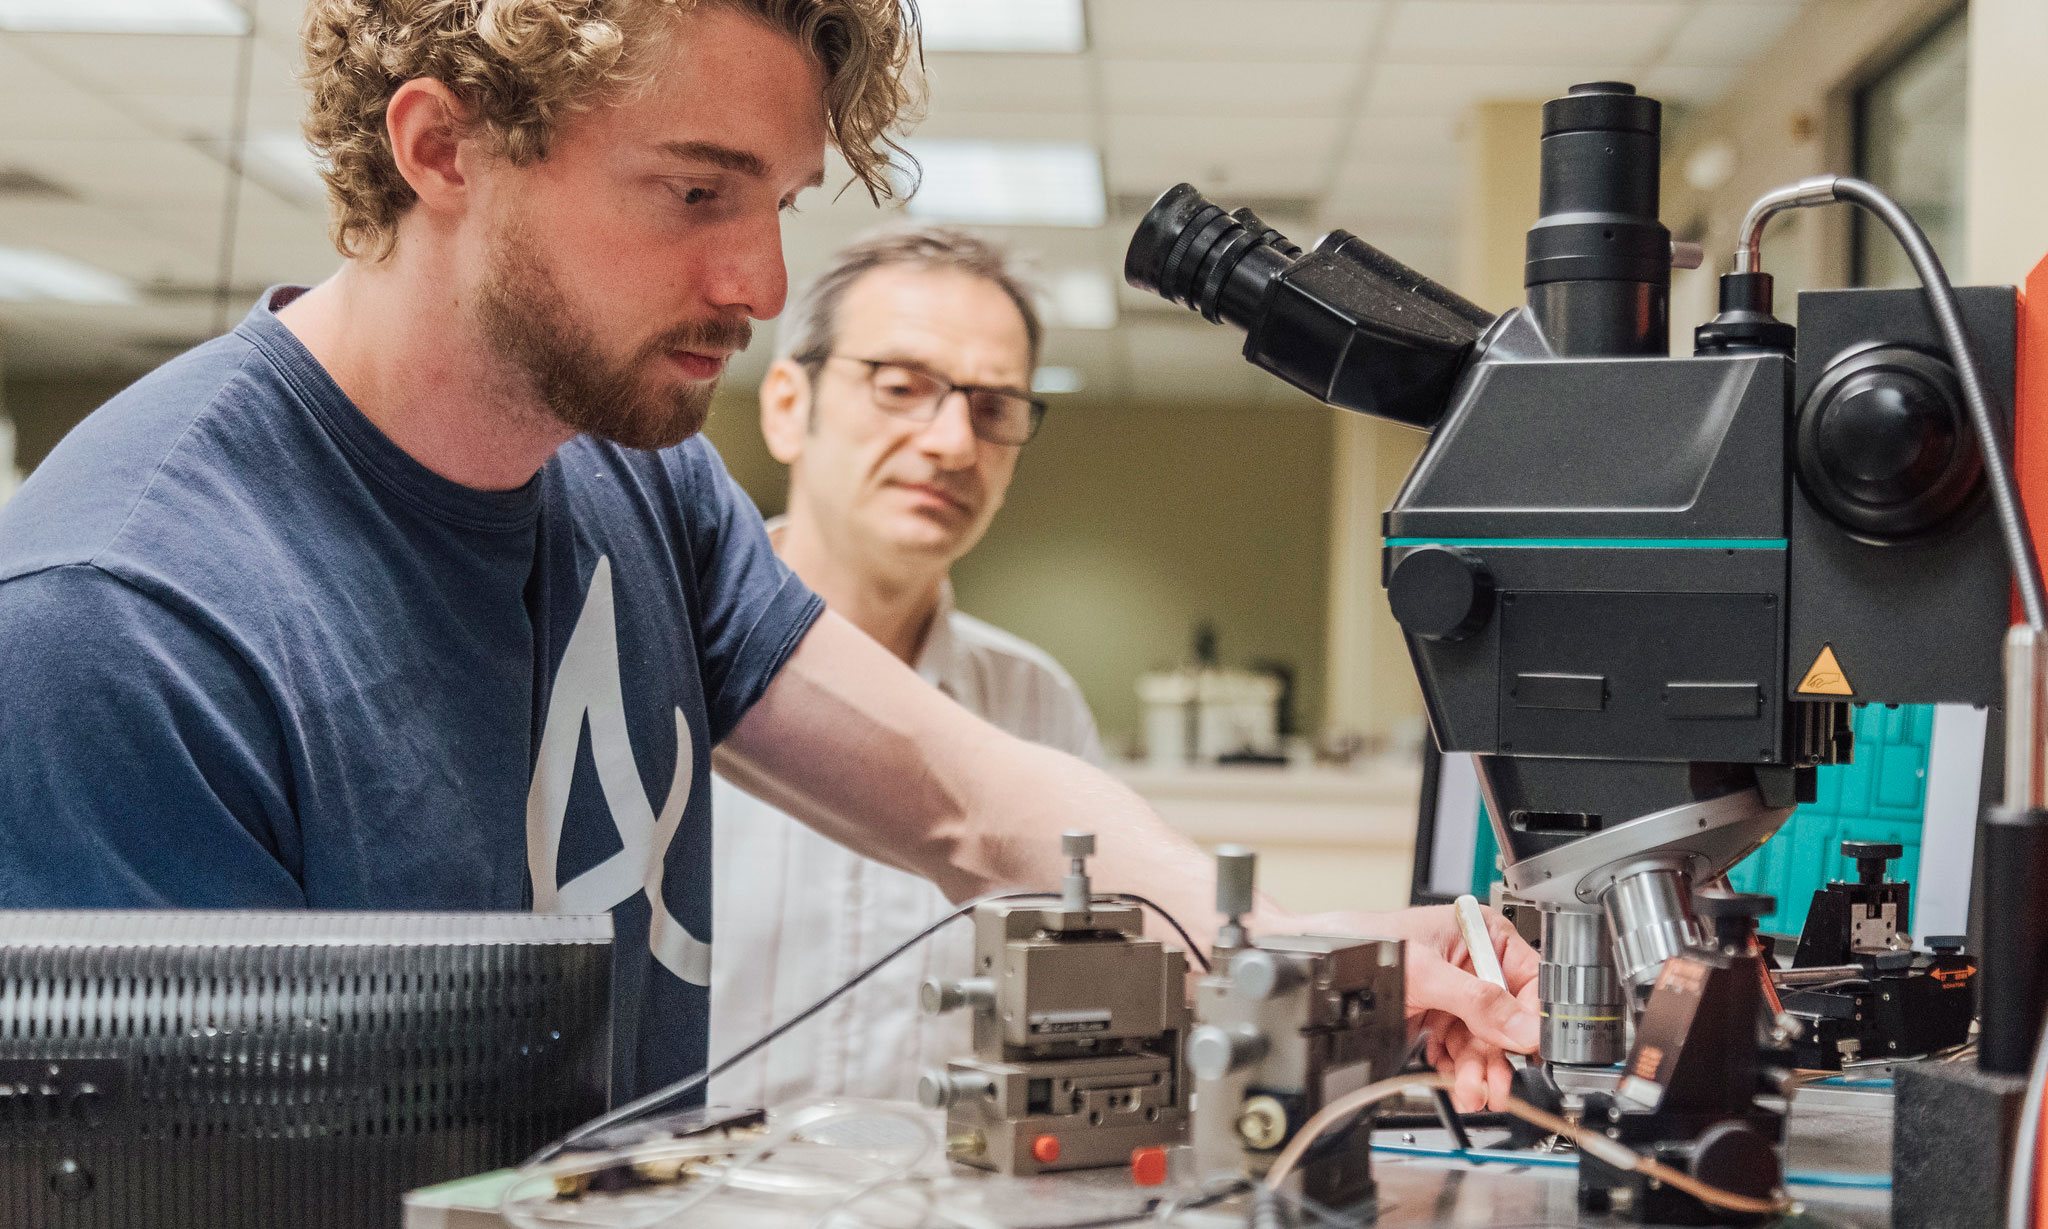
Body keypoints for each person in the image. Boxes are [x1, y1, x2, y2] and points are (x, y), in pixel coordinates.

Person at [0, 0, 1537, 1111]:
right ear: (442, 146)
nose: (760, 280)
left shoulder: (633, 484)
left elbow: (969, 802)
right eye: (694, 191)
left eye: (780, 202)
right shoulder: (129, 621)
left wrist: (1314, 959)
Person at [709, 226, 1103, 1107]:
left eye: (995, 406)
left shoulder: (1037, 704)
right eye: (901, 387)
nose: (954, 443)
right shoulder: (650, 668)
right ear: (785, 406)